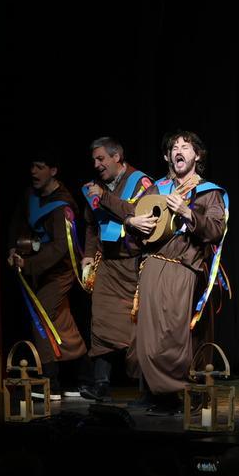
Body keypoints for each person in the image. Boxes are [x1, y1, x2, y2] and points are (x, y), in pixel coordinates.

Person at [127, 131, 228, 416]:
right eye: (174, 147)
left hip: (183, 267)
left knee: (172, 335)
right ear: (168, 156)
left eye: (185, 147)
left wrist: (187, 212)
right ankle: (157, 394)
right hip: (151, 266)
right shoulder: (156, 189)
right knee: (147, 337)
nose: (178, 151)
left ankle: (179, 394)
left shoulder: (209, 192)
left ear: (197, 155)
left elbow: (216, 230)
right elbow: (134, 228)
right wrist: (132, 221)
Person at [7, 153, 87, 401]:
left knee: (40, 319)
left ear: (53, 170)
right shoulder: (31, 195)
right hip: (38, 267)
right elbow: (17, 223)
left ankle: (49, 383)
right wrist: (13, 248)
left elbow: (61, 248)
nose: (34, 171)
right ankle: (84, 379)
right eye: (32, 165)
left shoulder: (62, 205)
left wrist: (28, 264)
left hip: (60, 270)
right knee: (62, 322)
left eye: (40, 166)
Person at [79, 137, 152, 402]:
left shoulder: (142, 182)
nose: (97, 165)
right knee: (101, 323)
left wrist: (106, 198)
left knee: (137, 328)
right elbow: (91, 224)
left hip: (134, 264)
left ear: (117, 156)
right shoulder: (96, 187)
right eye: (94, 160)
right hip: (107, 264)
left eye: (101, 159)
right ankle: (100, 384)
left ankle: (147, 388)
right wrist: (88, 256)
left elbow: (144, 216)